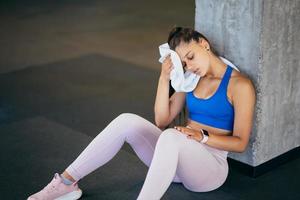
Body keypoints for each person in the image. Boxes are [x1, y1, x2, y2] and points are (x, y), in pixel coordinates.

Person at [27, 27, 256, 200]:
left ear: (204, 44)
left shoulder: (239, 85)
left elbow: (241, 143)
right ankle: (67, 183)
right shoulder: (191, 81)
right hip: (177, 161)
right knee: (126, 120)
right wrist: (164, 78)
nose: (189, 66)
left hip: (209, 169)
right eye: (183, 63)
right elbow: (161, 120)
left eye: (191, 57)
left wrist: (202, 137)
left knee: (171, 136)